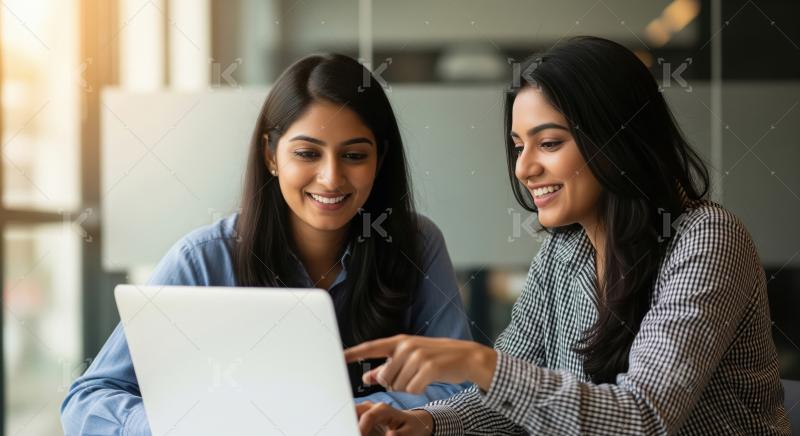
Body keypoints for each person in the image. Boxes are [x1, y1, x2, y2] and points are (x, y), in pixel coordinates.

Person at [347, 36, 790, 435]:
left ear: (617, 138)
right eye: (519, 145)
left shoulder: (707, 238)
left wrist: (481, 363)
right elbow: (508, 400)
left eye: (550, 143)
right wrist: (426, 423)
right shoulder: (565, 249)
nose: (523, 168)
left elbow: (645, 418)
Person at [61, 53, 471, 435]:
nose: (330, 178)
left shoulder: (415, 244)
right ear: (271, 155)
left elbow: (459, 383)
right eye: (308, 153)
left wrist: (350, 418)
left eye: (353, 156)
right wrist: (185, 425)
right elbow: (88, 400)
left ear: (379, 160)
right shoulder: (202, 259)